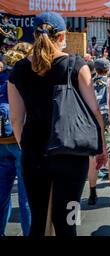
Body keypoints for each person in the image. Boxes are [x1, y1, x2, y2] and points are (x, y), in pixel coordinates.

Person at [7, 12, 107, 236]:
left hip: (34, 152)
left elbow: (16, 119)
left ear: (34, 35)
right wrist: (102, 147)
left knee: (38, 222)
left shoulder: (19, 70)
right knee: (69, 221)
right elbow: (95, 110)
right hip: (71, 153)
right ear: (62, 36)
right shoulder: (75, 64)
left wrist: (28, 147)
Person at [0, 49, 31, 236]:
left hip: (0, 141)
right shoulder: (23, 78)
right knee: (26, 197)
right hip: (20, 141)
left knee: (1, 195)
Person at [87, 58, 110, 208]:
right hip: (109, 121)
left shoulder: (89, 84)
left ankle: (92, 194)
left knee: (93, 158)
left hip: (93, 122)